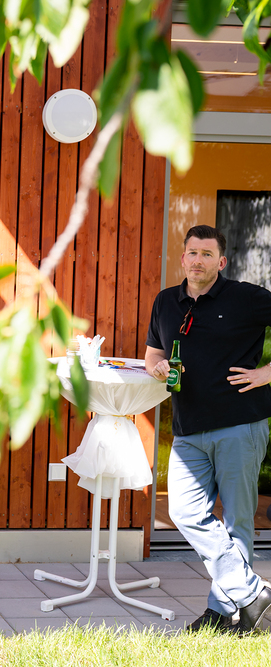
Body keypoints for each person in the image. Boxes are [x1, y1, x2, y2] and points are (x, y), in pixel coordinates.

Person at [145, 224, 271, 633]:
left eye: (207, 254)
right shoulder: (166, 301)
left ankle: (223, 613)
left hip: (239, 424)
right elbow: (152, 355)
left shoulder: (246, 298)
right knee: (183, 511)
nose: (198, 260)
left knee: (237, 523)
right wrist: (157, 367)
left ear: (222, 261)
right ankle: (251, 595)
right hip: (188, 429)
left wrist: (266, 373)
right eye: (192, 253)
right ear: (182, 258)